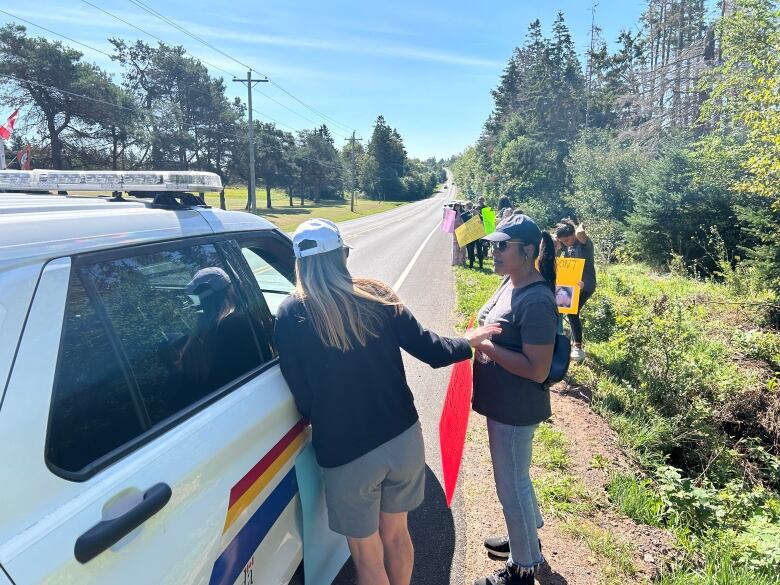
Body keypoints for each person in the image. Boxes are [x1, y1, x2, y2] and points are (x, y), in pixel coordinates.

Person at [274, 218, 500, 585]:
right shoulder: (377, 294)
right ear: (341, 257)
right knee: (397, 535)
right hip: (403, 440)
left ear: (299, 264)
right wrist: (468, 341)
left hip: (347, 455)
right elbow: (431, 349)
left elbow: (301, 394)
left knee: (367, 558)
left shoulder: (289, 315)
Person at [471, 214, 558, 585]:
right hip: (502, 403)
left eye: (501, 246)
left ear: (526, 251)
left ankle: (523, 567)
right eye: (492, 244)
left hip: (516, 408)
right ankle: (524, 535)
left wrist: (485, 344)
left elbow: (537, 369)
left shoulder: (536, 299)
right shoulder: (510, 282)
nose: (493, 251)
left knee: (511, 485)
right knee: (516, 480)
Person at [555, 219, 597, 363]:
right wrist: (558, 242)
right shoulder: (566, 246)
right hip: (570, 285)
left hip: (586, 285)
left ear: (573, 235)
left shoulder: (584, 244)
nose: (566, 243)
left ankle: (578, 347)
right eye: (563, 241)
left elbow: (580, 233)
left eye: (567, 239)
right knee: (559, 309)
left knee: (572, 312)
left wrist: (579, 227)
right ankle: (558, 338)